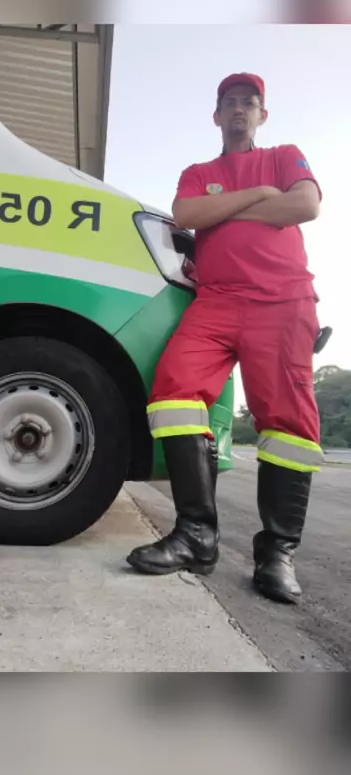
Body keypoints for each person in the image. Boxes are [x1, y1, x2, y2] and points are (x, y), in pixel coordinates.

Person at [127, 73, 323, 604]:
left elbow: (305, 206)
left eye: (249, 103)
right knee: (173, 392)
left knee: (288, 422)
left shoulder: (285, 156)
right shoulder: (199, 173)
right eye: (230, 103)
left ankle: (277, 553)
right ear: (216, 116)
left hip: (283, 300)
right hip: (215, 301)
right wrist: (260, 196)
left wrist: (226, 208)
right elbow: (188, 214)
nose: (239, 109)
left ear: (262, 115)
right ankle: (196, 535)